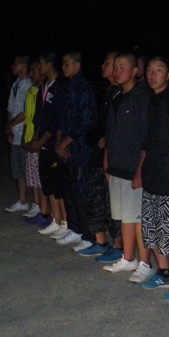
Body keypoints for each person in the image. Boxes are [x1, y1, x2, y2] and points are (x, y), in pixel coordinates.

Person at [138, 57, 169, 300]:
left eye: (159, 70)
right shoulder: (151, 99)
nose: (153, 74)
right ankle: (163, 272)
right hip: (152, 172)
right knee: (151, 227)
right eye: (149, 70)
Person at [102, 52, 153, 279]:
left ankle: (145, 263)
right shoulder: (115, 94)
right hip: (117, 165)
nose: (117, 71)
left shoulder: (142, 96)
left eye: (123, 67)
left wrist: (140, 171)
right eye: (115, 67)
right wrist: (107, 160)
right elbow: (110, 132)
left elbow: (145, 138)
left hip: (133, 167)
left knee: (138, 217)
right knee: (124, 215)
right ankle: (128, 257)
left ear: (135, 71)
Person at [77, 52, 122, 257]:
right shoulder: (109, 92)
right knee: (95, 198)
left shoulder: (123, 94)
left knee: (113, 204)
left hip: (113, 158)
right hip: (99, 154)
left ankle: (119, 247)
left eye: (108, 63)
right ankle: (101, 242)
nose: (103, 66)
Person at [53, 52, 98, 247]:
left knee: (80, 193)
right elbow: (62, 119)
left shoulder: (83, 88)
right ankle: (75, 228)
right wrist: (59, 144)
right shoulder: (68, 86)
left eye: (66, 64)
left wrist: (64, 143)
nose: (63, 67)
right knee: (69, 190)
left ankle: (88, 235)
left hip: (79, 149)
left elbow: (86, 122)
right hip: (67, 149)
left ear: (77, 66)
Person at [24, 52, 68, 237]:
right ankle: (55, 220)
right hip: (42, 142)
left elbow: (57, 120)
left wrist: (43, 141)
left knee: (57, 186)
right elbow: (39, 116)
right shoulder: (44, 86)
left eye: (41, 63)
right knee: (47, 183)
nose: (39, 67)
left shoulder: (59, 87)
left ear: (49, 65)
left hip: (51, 143)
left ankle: (64, 223)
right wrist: (35, 139)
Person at [4, 56, 35, 214]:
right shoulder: (16, 85)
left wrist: (10, 124)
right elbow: (11, 108)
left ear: (23, 65)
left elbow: (26, 112)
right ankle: (22, 201)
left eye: (15, 64)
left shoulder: (30, 85)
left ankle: (37, 204)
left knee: (29, 170)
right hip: (15, 133)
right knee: (18, 170)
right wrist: (9, 129)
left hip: (25, 134)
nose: (12, 66)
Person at [22, 61, 51, 227]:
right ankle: (40, 209)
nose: (31, 74)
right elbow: (30, 117)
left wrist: (37, 139)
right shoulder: (34, 90)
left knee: (41, 179)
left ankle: (45, 212)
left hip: (41, 140)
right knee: (34, 177)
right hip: (33, 137)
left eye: (34, 70)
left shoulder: (46, 91)